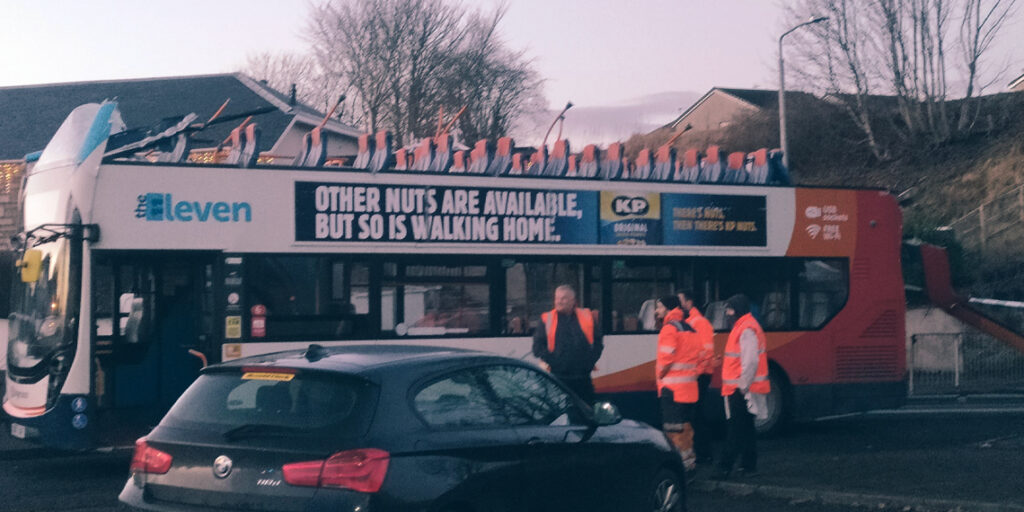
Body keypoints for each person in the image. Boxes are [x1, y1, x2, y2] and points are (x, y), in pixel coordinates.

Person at [712, 294, 770, 480]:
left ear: (737, 309)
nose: (728, 313)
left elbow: (750, 361)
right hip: (742, 387)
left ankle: (724, 467)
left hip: (740, 388)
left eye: (729, 309)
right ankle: (748, 465)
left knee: (736, 429)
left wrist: (743, 385)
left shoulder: (745, 329)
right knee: (746, 428)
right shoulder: (745, 327)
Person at [532, 284, 603, 404]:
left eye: (563, 298)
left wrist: (588, 362)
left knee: (586, 413)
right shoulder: (546, 319)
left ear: (573, 301)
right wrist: (556, 362)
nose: (559, 301)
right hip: (557, 378)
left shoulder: (587, 316)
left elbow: (597, 343)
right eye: (557, 298)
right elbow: (537, 347)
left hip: (582, 378)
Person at [654, 295, 700, 471]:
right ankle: (689, 463)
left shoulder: (668, 329)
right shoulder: (689, 328)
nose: (657, 311)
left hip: (672, 390)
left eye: (659, 307)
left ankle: (677, 468)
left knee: (673, 431)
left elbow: (666, 359)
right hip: (689, 390)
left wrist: (660, 375)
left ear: (667, 308)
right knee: (686, 430)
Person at [678, 289, 716, 466]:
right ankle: (700, 452)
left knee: (697, 415)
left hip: (700, 375)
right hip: (695, 375)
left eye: (681, 301)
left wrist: (695, 372)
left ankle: (704, 453)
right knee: (694, 415)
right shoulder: (689, 322)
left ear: (689, 302)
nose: (680, 305)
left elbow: (706, 352)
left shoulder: (699, 323)